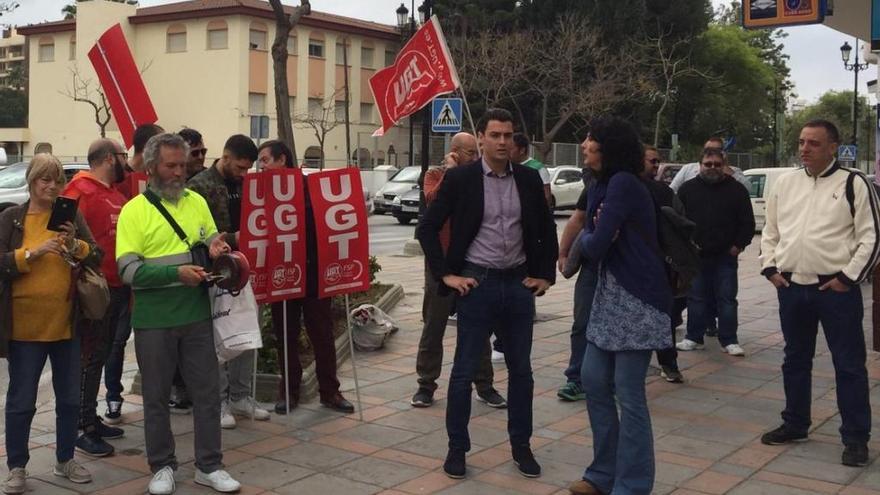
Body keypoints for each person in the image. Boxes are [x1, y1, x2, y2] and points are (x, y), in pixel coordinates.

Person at [417, 108, 557, 480]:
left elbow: (546, 228)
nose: (501, 142)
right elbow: (427, 228)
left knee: (522, 372)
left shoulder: (527, 180)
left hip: (517, 285)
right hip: (476, 284)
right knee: (463, 372)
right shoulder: (460, 179)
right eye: (494, 135)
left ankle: (522, 447)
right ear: (480, 138)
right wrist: (445, 274)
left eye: (507, 136)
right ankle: (457, 449)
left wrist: (544, 276)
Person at [116, 133, 240, 494]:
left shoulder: (196, 201)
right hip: (154, 320)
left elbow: (209, 240)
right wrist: (175, 274)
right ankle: (162, 466)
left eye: (182, 165)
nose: (178, 173)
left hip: (197, 315)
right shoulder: (133, 211)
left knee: (207, 393)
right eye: (171, 166)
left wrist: (216, 246)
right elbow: (128, 271)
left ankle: (210, 466)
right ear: (152, 167)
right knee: (155, 396)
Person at [759, 119, 880, 467]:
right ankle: (795, 423)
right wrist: (770, 267)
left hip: (836, 291)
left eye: (813, 143)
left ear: (833, 148)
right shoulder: (786, 183)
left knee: (849, 365)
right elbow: (772, 229)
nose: (804, 149)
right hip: (792, 288)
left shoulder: (853, 183)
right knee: (795, 360)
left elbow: (871, 236)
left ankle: (856, 438)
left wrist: (848, 277)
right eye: (801, 142)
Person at [567, 118, 671, 495]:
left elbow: (592, 246)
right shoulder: (600, 184)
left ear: (607, 146)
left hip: (638, 298)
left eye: (591, 138)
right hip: (609, 297)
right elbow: (593, 237)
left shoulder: (625, 183)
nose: (584, 144)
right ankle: (601, 475)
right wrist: (595, 233)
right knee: (593, 380)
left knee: (629, 393)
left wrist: (593, 234)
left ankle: (633, 485)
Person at [0, 154, 99, 494]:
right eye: (45, 179)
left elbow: (95, 254)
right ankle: (17, 467)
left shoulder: (70, 214)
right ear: (31, 181)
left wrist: (74, 243)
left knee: (70, 399)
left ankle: (64, 459)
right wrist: (32, 253)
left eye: (57, 180)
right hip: (25, 328)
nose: (53, 186)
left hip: (66, 324)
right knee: (21, 400)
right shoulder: (12, 218)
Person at [255, 140, 355, 416]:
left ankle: (330, 391)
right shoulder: (261, 193)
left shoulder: (310, 187)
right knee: (284, 335)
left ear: (282, 160)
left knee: (321, 334)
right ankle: (288, 393)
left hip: (313, 273)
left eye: (265, 160)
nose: (261, 167)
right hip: (281, 274)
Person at [411, 132, 506, 409]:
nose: (475, 158)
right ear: (454, 153)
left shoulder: (479, 178)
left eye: (477, 153)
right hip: (440, 264)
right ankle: (425, 384)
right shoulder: (435, 175)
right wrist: (450, 173)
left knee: (478, 325)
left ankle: (484, 384)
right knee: (434, 324)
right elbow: (433, 200)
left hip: (472, 260)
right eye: (469, 153)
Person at [187, 134, 270, 429]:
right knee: (219, 336)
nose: (244, 174)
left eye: (248, 169)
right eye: (239, 167)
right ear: (225, 157)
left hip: (245, 269)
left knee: (247, 329)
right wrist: (234, 238)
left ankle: (241, 395)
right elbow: (197, 232)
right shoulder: (199, 186)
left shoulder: (250, 186)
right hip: (215, 271)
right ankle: (220, 400)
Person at [63, 139, 130, 457]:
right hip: (93, 290)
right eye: (122, 157)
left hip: (116, 288)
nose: (125, 163)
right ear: (107, 158)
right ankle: (82, 427)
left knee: (100, 355)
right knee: (89, 358)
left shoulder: (115, 195)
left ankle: (91, 418)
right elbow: (59, 236)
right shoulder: (79, 191)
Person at [105, 123, 164, 421]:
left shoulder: (157, 180)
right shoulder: (120, 180)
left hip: (150, 271)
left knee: (146, 336)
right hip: (122, 272)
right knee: (117, 338)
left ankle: (156, 395)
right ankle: (112, 397)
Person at [675, 148, 754, 356]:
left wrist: (739, 245)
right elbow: (677, 220)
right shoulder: (687, 189)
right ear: (699, 165)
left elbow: (747, 222)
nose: (712, 168)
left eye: (717, 164)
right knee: (696, 298)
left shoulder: (736, 190)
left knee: (727, 299)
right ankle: (694, 337)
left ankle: (729, 339)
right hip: (696, 256)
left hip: (725, 256)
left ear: (724, 166)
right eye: (707, 164)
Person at [640, 145, 685, 383]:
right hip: (633, 266)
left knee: (663, 318)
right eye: (651, 161)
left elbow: (679, 224)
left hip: (660, 265)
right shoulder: (623, 189)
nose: (656, 166)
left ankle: (669, 363)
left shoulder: (664, 192)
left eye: (658, 162)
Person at [555, 172, 598, 401]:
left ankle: (614, 383)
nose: (584, 145)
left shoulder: (633, 187)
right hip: (592, 269)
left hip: (624, 270)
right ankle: (576, 379)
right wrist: (563, 253)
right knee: (582, 323)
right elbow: (578, 218)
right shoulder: (594, 186)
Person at [668, 137, 751, 193]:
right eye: (708, 150)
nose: (712, 153)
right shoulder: (688, 169)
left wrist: (725, 167)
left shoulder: (734, 171)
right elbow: (672, 191)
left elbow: (748, 189)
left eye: (716, 150)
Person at [510, 133, 551, 206]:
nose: (507, 152)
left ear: (522, 150)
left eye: (510, 149)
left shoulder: (538, 168)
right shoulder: (506, 167)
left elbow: (546, 196)